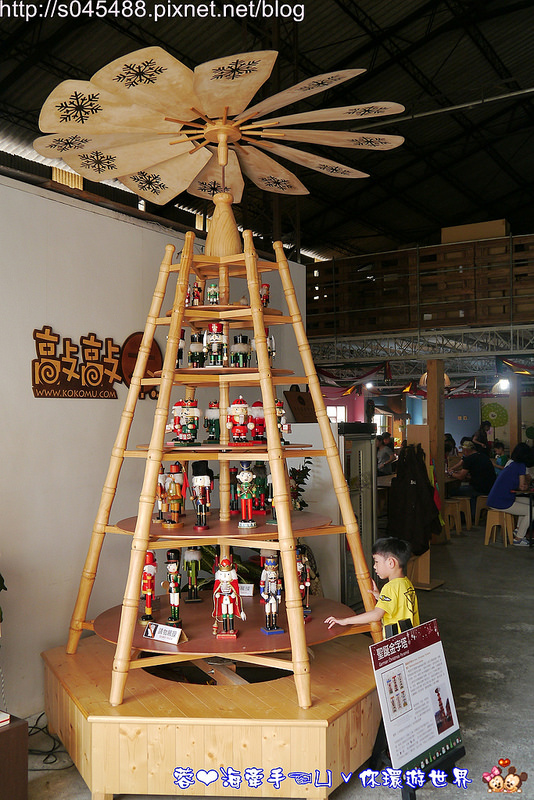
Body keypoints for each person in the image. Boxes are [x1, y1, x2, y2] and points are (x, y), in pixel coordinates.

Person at [324, 537, 419, 638]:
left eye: (376, 562)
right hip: (411, 639)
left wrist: (345, 620)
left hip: (396, 641)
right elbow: (398, 605)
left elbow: (376, 614)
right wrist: (380, 597)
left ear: (391, 563)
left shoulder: (390, 587)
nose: (374, 566)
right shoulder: (406, 583)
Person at [486, 442, 534, 546]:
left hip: (496, 498)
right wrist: (527, 485)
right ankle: (519, 539)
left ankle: (518, 530)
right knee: (532, 511)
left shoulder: (512, 464)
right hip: (502, 501)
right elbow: (522, 487)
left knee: (529, 502)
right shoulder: (521, 466)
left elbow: (517, 485)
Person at [448, 439, 496, 521]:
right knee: (470, 493)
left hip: (478, 488)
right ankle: (473, 515)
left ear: (466, 450)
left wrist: (451, 473)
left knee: (452, 491)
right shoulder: (483, 456)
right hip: (490, 488)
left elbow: (461, 476)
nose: (462, 452)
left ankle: (459, 516)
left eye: (463, 450)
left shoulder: (469, 459)